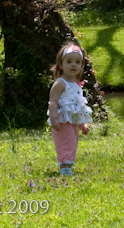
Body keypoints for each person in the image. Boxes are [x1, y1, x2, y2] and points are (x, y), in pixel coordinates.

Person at [47, 42, 93, 176]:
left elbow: (79, 106)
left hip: (72, 120)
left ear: (81, 66)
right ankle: (65, 167)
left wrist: (83, 123)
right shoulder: (60, 83)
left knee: (73, 141)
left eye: (77, 62)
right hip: (61, 120)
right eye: (69, 61)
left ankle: (68, 165)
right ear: (61, 65)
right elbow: (53, 102)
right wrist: (53, 118)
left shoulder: (76, 85)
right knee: (66, 141)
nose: (73, 65)